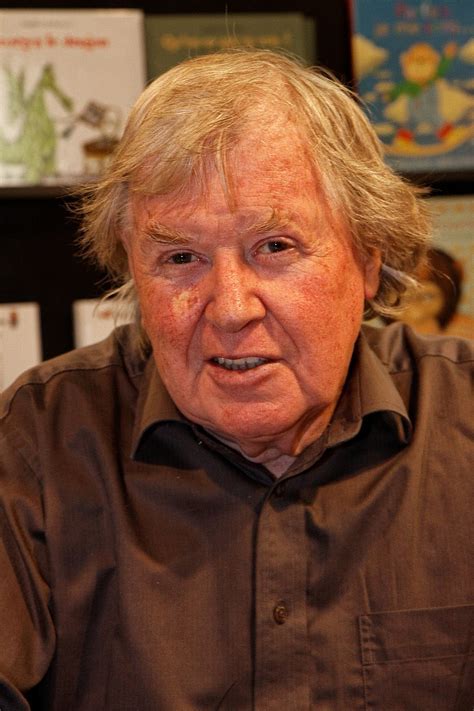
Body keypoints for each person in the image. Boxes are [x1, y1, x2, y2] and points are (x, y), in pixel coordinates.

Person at [0, 49, 472, 711]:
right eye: (180, 257)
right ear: (133, 272)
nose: (229, 308)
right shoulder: (35, 445)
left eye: (274, 247)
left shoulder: (463, 420)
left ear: (368, 259)